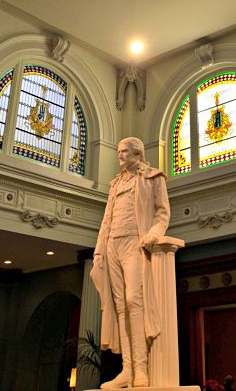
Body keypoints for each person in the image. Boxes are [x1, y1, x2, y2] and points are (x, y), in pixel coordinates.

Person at [90, 137, 170, 389]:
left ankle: (142, 369)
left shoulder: (153, 177)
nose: (120, 156)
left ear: (137, 153)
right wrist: (99, 252)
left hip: (135, 243)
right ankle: (127, 370)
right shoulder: (115, 183)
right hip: (112, 244)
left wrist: (155, 231)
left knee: (135, 301)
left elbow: (162, 211)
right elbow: (106, 220)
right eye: (119, 152)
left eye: (124, 152)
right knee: (119, 307)